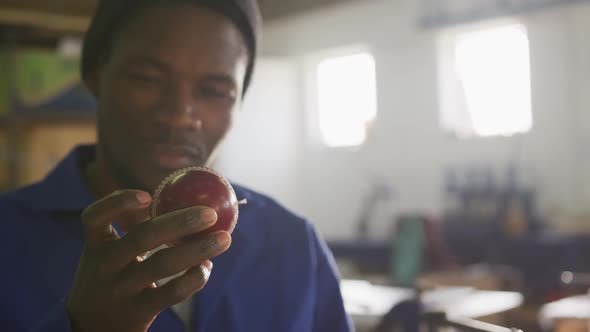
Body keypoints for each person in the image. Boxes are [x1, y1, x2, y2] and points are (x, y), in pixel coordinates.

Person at [0, 1, 353, 331]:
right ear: (95, 74)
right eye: (146, 79)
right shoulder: (9, 236)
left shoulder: (292, 247)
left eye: (214, 91)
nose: (179, 115)